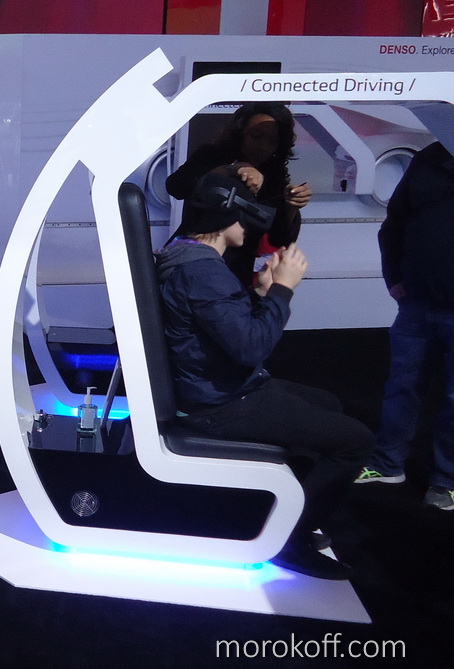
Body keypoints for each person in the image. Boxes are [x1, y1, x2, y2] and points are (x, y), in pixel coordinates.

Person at [155, 172, 373, 580]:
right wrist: (282, 290)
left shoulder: (186, 254)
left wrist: (258, 293)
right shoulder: (203, 272)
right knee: (355, 441)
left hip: (219, 385)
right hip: (220, 404)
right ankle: (287, 540)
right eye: (243, 216)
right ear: (227, 217)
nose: (248, 227)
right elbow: (252, 347)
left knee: (328, 404)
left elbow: (220, 326)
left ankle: (286, 508)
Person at [356, 141, 454, 511]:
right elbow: (394, 223)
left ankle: (447, 481)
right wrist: (393, 276)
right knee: (401, 386)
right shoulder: (429, 158)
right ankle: (387, 463)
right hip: (417, 302)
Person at [166, 102, 313, 287]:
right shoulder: (211, 156)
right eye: (256, 136)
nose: (263, 146)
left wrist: (291, 206)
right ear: (240, 133)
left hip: (235, 273)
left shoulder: (273, 176)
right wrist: (232, 170)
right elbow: (176, 186)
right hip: (194, 262)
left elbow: (279, 238)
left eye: (272, 141)